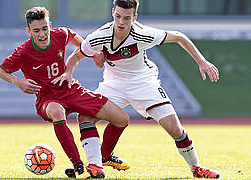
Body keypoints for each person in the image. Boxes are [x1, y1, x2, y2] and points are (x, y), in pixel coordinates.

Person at [58, 0, 221, 178]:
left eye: (126, 18)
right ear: (113, 12)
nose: (121, 22)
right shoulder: (100, 35)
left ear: (134, 17)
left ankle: (196, 168)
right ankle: (96, 166)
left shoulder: (144, 34)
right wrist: (68, 73)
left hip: (144, 83)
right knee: (85, 117)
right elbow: (76, 56)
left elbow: (179, 37)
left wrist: (202, 62)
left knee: (175, 128)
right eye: (118, 16)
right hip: (113, 84)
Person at [0, 6, 130, 179]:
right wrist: (17, 81)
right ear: (28, 31)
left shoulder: (60, 34)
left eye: (45, 28)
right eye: (36, 31)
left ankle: (103, 158)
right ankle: (78, 166)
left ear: (50, 25)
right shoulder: (23, 52)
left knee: (122, 119)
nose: (42, 34)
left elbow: (73, 36)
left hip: (71, 89)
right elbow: (1, 70)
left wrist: (94, 55)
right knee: (58, 112)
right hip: (47, 99)